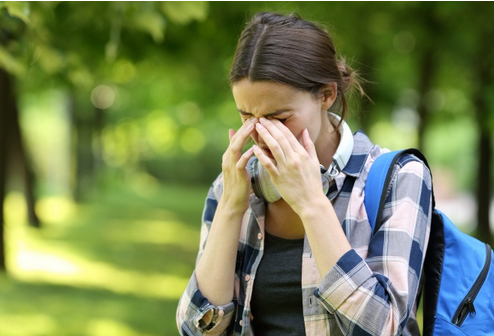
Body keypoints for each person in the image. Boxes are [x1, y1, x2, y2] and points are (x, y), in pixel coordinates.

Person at [176, 12, 432, 336]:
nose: (261, 134)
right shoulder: (234, 186)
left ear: (327, 95)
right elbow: (195, 329)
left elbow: (386, 328)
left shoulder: (401, 178)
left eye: (279, 118)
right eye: (246, 117)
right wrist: (229, 208)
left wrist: (312, 203)